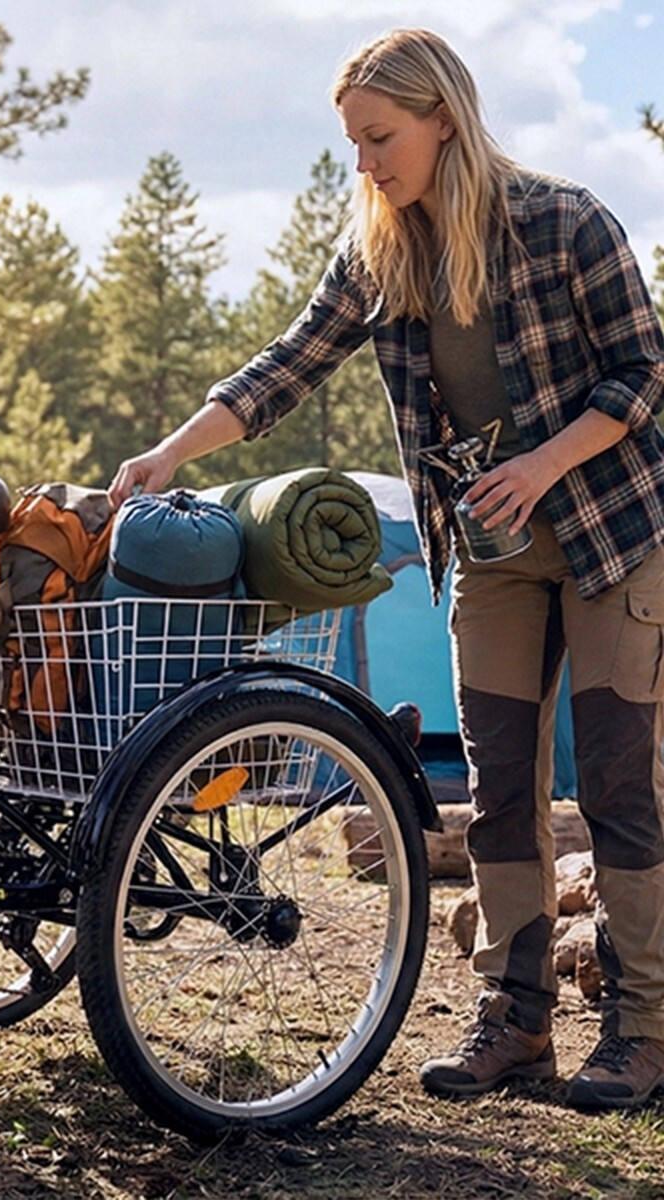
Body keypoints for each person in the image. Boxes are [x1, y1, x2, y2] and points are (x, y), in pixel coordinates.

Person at [110, 27, 664, 1111]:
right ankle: (517, 1021)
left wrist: (542, 465)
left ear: (442, 118)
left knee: (615, 787)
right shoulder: (380, 253)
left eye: (381, 138)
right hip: (494, 558)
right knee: (498, 790)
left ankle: (642, 1030)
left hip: (613, 540)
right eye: (354, 143)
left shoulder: (565, 220)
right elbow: (286, 367)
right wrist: (170, 453)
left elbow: (644, 374)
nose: (365, 164)